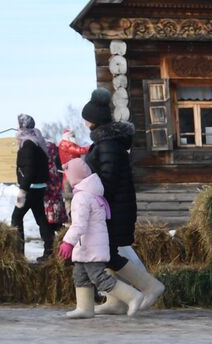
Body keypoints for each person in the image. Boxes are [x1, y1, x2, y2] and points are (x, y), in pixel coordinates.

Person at [82, 88, 165, 313]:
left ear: (93, 121)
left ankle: (151, 286)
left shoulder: (108, 145)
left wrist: (88, 197)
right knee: (106, 252)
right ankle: (115, 301)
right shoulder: (106, 142)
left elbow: (107, 180)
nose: (84, 122)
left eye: (86, 118)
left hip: (112, 208)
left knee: (106, 254)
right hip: (110, 207)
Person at [58, 157, 145, 319]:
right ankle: (84, 308)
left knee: (98, 277)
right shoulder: (90, 194)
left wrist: (67, 242)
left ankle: (133, 296)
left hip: (91, 246)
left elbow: (79, 225)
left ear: (74, 177)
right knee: (80, 275)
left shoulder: (82, 197)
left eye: (67, 175)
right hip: (86, 246)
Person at [11, 114, 58, 261]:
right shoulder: (38, 140)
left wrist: (23, 189)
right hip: (39, 187)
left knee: (16, 218)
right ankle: (49, 250)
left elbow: (29, 169)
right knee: (41, 218)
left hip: (30, 188)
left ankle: (18, 255)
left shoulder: (27, 144)